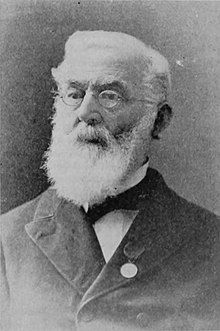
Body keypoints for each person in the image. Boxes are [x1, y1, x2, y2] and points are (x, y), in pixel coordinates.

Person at [0, 30, 219, 331]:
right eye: (74, 94)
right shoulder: (7, 239)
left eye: (110, 96)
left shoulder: (210, 242)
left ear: (159, 121)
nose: (86, 112)